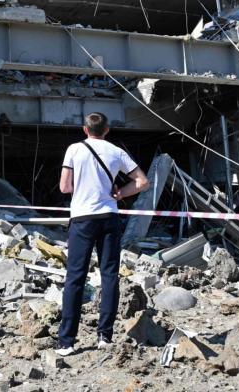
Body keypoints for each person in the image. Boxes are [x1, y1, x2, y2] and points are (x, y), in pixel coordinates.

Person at [55, 112, 149, 355]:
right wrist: (120, 194)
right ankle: (104, 336)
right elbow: (142, 182)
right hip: (109, 217)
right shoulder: (116, 152)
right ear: (107, 130)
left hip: (82, 218)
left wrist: (84, 188)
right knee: (109, 276)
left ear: (85, 130)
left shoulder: (74, 149)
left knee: (75, 278)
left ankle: (67, 341)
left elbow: (65, 187)